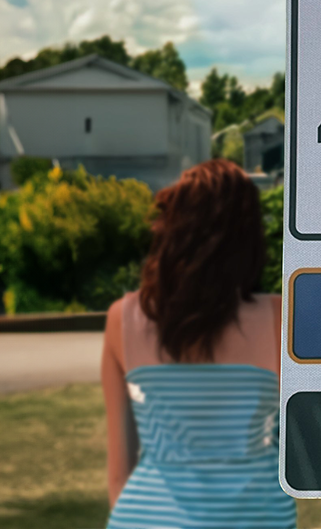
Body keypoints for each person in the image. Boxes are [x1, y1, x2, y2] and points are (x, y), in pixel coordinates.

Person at [101, 159, 295, 529]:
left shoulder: (121, 319)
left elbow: (118, 471)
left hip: (146, 517)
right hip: (257, 516)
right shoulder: (278, 318)